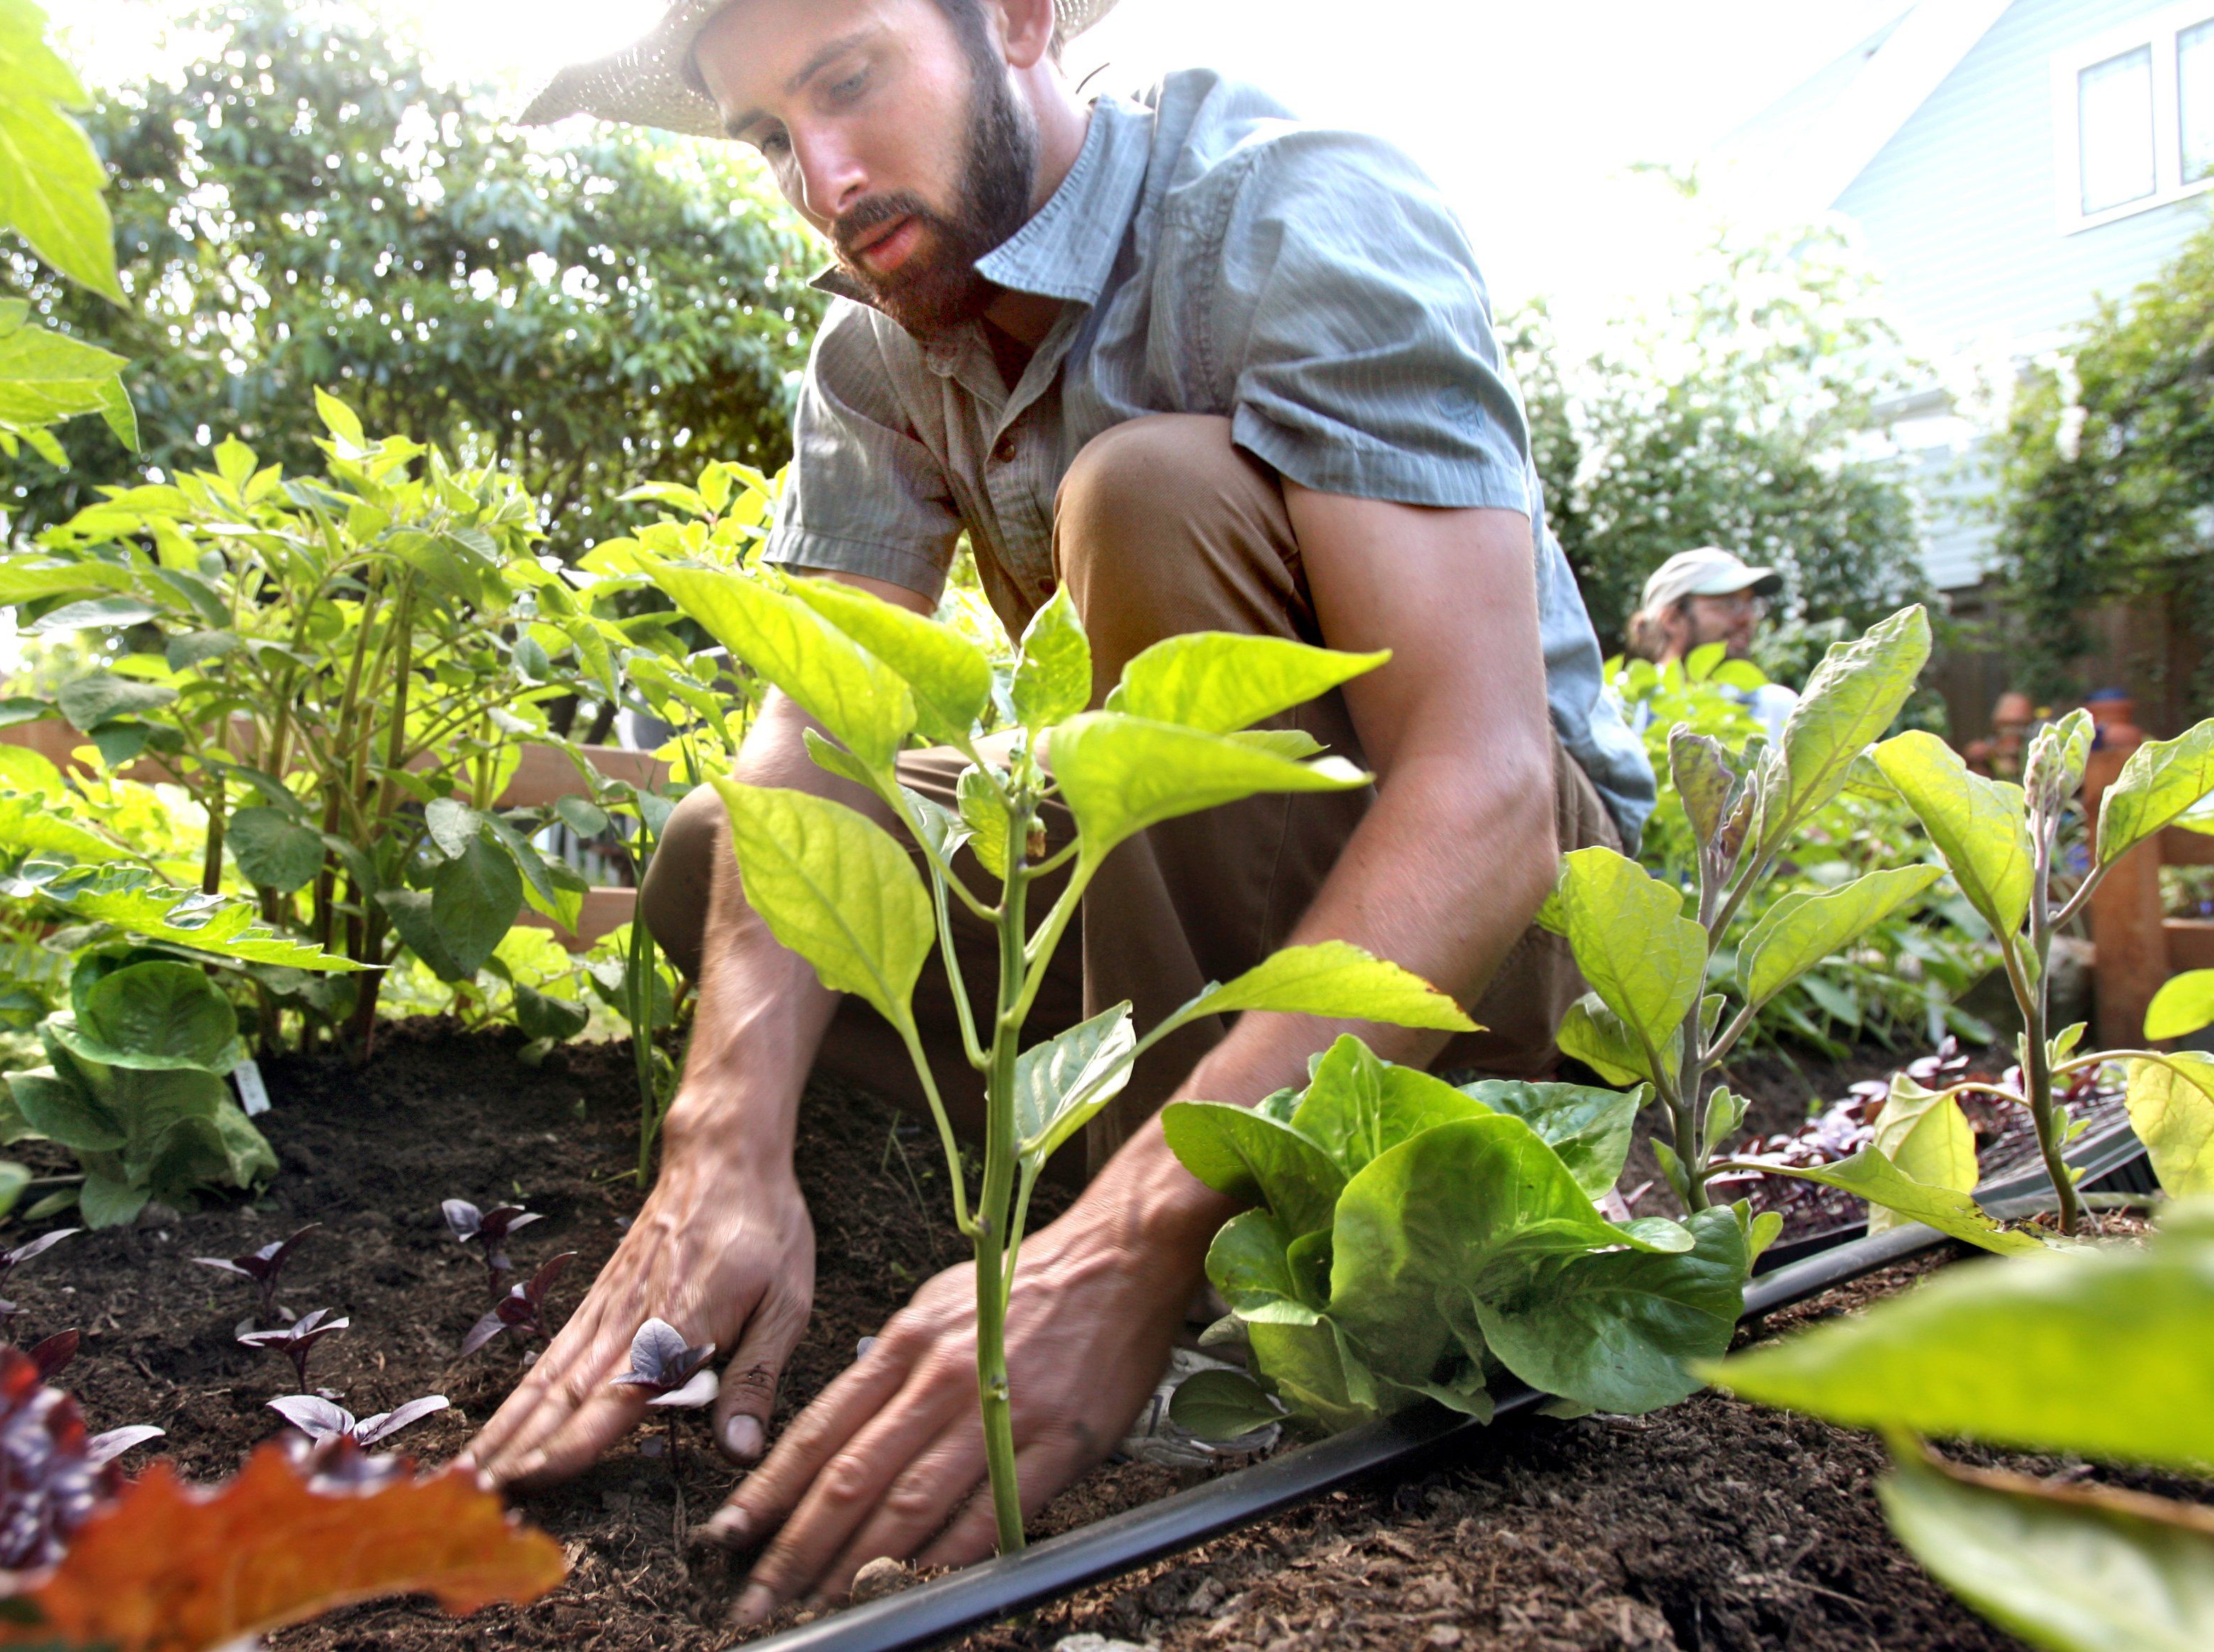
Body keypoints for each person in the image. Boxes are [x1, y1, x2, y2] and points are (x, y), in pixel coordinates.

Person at [463, 0, 1652, 1619]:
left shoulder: (1288, 205)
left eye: (850, 76)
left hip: (1500, 949)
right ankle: (1126, 1189)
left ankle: (1181, 1248)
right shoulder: (872, 343)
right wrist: (718, 1147)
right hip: (1198, 915)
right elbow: (809, 731)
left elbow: (1488, 791)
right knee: (721, 864)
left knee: (1145, 502)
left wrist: (1123, 1245)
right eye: (764, 134)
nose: (818, 171)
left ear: (1017, 16)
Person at [1621, 545, 1797, 741]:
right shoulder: (1622, 705)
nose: (1748, 618)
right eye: (1730, 604)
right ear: (1672, 619)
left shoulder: (1777, 709)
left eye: (1752, 605)